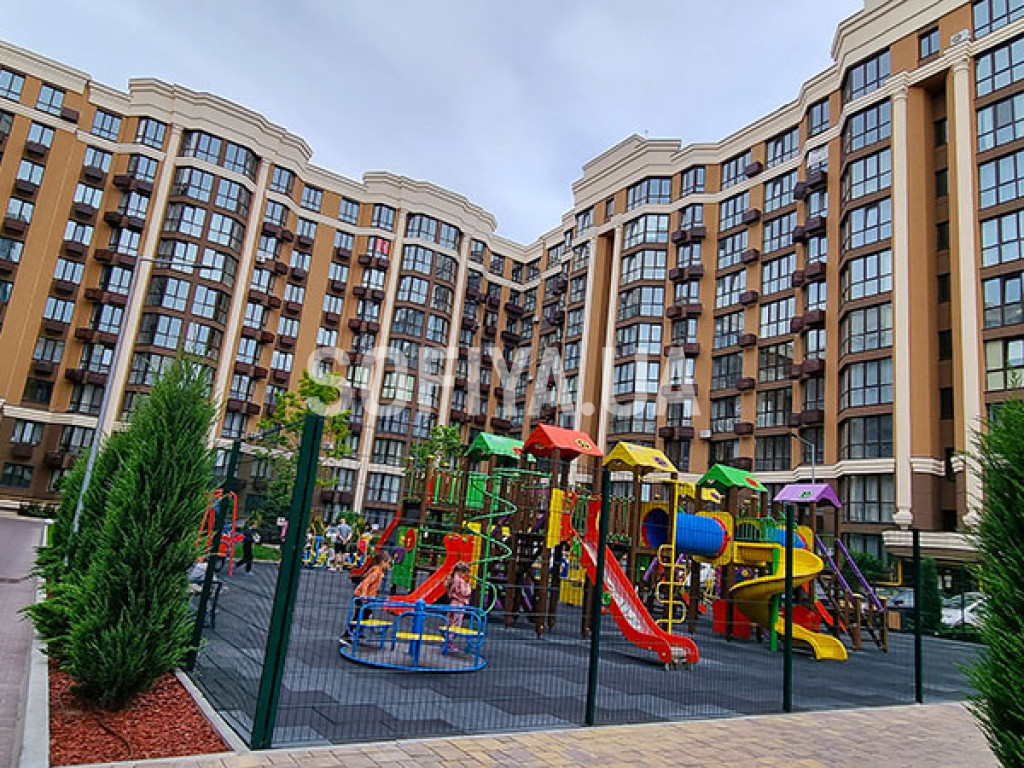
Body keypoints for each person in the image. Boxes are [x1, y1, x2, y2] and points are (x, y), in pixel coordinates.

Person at [341, 551, 392, 646]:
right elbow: (366, 583)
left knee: (366, 614)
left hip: (366, 597)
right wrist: (364, 595)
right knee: (359, 615)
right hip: (361, 596)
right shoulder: (376, 572)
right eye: (388, 563)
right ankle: (346, 635)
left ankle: (358, 631)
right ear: (382, 562)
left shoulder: (379, 571)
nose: (388, 566)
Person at [446, 561, 473, 629]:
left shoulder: (452, 578)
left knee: (450, 619)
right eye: (465, 573)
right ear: (460, 571)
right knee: (457, 621)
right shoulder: (460, 581)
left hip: (453, 601)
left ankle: (448, 632)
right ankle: (452, 634)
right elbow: (465, 592)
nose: (465, 575)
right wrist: (468, 586)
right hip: (459, 602)